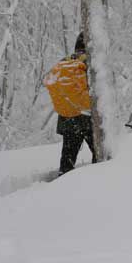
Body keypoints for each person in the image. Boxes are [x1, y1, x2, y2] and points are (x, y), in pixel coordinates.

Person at [44, 33, 96, 175]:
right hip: (87, 117)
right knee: (100, 155)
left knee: (68, 156)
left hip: (67, 117)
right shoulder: (91, 62)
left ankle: (63, 179)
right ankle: (98, 180)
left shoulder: (65, 61)